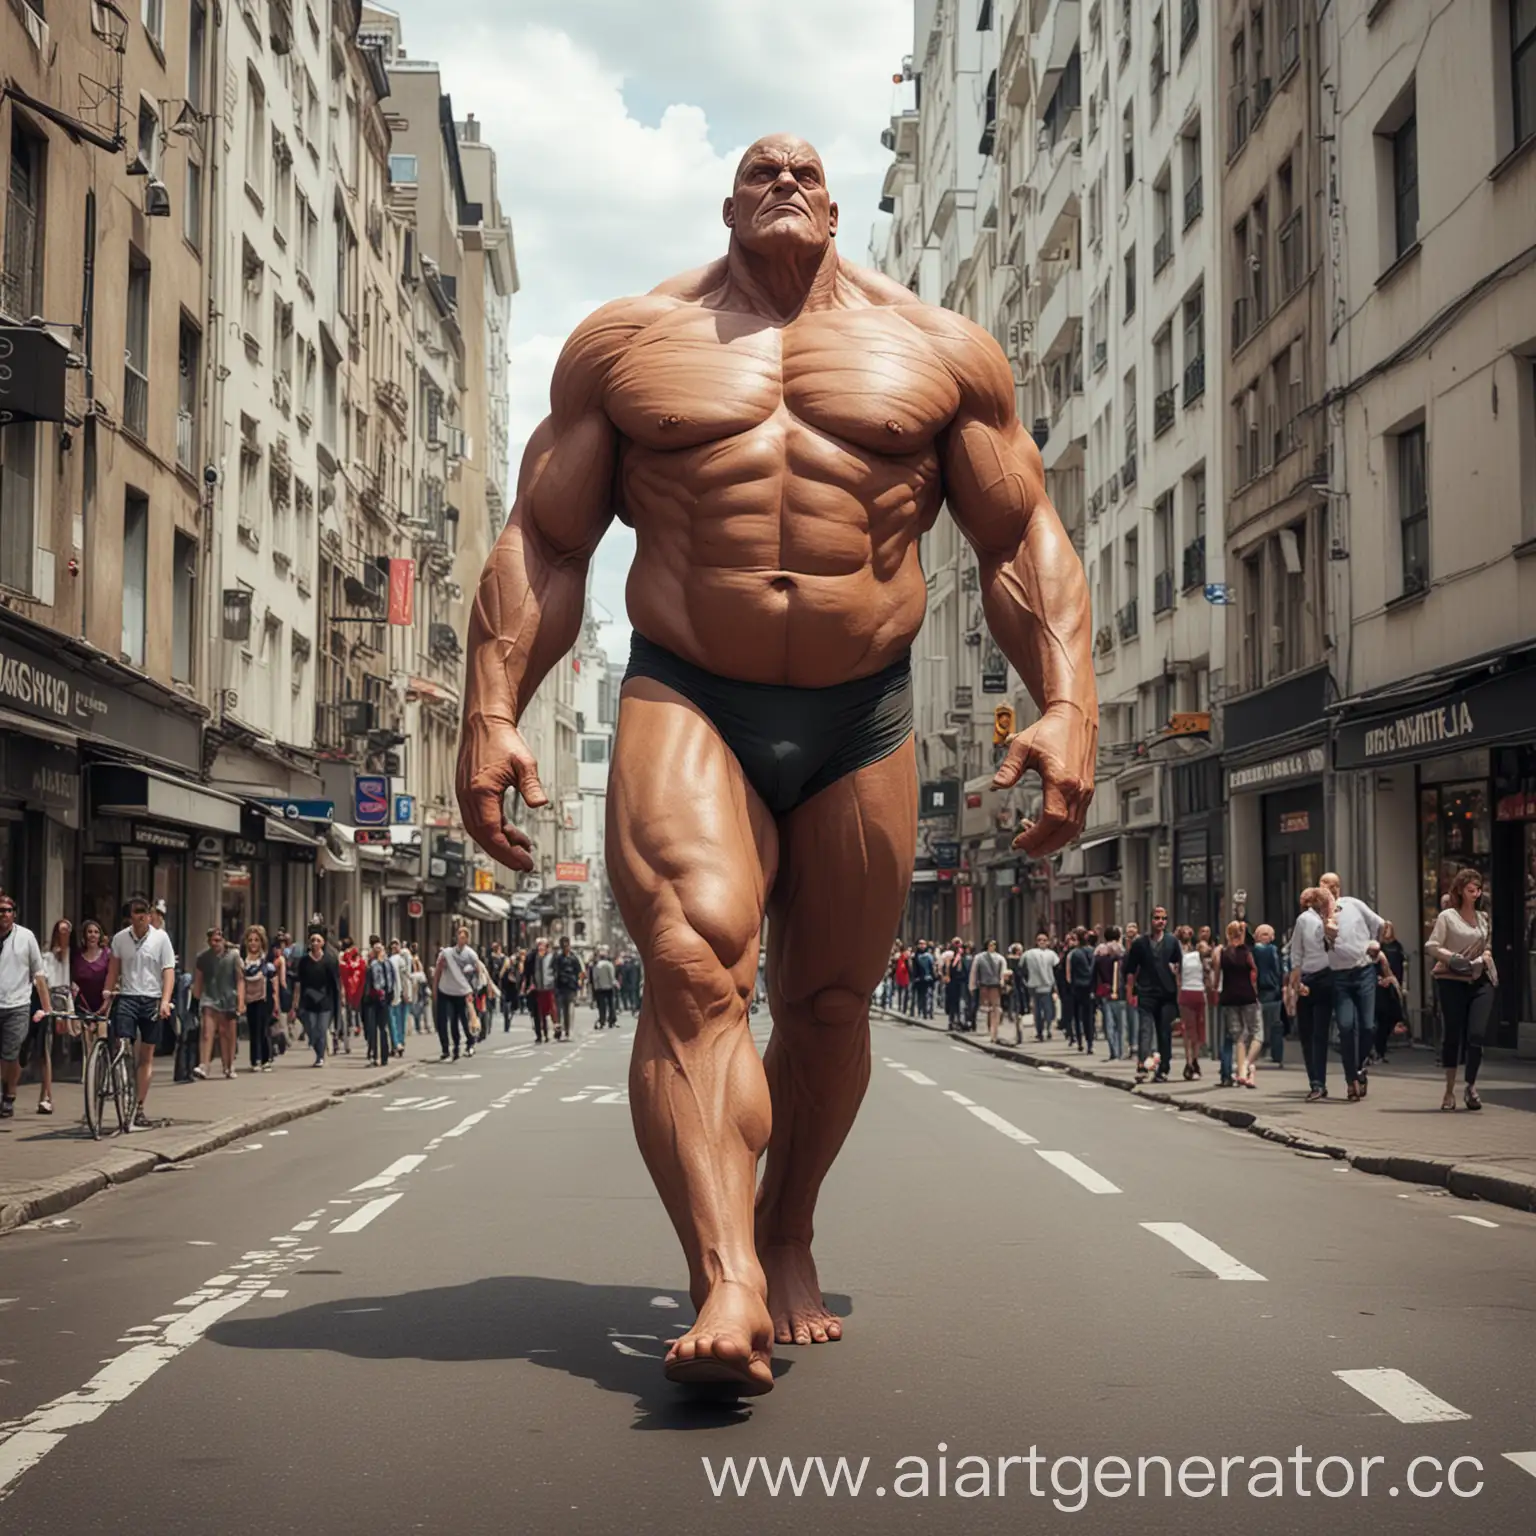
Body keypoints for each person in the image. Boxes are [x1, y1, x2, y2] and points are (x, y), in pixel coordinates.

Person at [454, 133, 1097, 1394]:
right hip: (690, 688)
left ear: (839, 203)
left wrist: (1068, 700)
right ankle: (726, 1273)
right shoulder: (632, 342)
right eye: (762, 170)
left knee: (826, 1007)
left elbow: (1021, 534)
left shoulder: (938, 348)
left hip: (866, 713)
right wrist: (491, 707)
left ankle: (788, 1223)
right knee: (694, 961)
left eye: (806, 172)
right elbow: (544, 536)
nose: (785, 182)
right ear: (730, 199)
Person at [1425, 868, 1496, 1112]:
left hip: (1480, 979)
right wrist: (1452, 958)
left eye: (1479, 888)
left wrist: (1485, 955)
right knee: (1453, 1034)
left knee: (1476, 1034)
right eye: (1471, 888)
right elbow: (1432, 945)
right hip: (1453, 980)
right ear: (1460, 890)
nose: (1476, 893)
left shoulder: (1484, 917)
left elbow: (1487, 944)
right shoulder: (1448, 916)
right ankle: (1449, 1090)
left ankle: (1471, 1086)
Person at [101, 897, 176, 1127]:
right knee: (123, 1041)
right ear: (130, 916)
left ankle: (139, 1106)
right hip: (128, 996)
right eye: (137, 912)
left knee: (147, 1054)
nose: (142, 916)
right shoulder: (120, 939)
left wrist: (165, 1000)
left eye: (145, 912)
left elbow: (168, 970)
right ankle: (122, 1078)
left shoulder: (160, 938)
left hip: (151, 998)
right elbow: (114, 969)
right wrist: (106, 992)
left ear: (151, 915)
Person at [1320, 871, 1384, 1103]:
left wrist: (1375, 943)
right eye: (1324, 885)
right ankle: (1350, 1081)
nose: (1328, 889)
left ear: (1338, 888)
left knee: (1367, 1026)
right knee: (1346, 1027)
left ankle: (1358, 1066)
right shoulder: (1317, 916)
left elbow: (1379, 924)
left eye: (1332, 885)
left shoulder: (1353, 905)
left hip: (1364, 971)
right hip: (1339, 976)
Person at [1289, 887, 1334, 1102]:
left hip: (1327, 976)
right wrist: (1297, 977)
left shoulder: (1335, 919)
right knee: (1307, 1032)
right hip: (1309, 977)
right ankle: (1316, 1082)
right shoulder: (1304, 920)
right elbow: (1296, 949)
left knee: (1319, 1033)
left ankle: (1320, 1082)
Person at [1127, 907, 1180, 1083]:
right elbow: (1130, 970)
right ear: (1151, 920)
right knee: (1145, 1029)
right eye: (1157, 918)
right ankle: (1142, 1064)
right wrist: (1130, 992)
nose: (1161, 921)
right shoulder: (1140, 943)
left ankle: (1163, 1068)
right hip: (1146, 992)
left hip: (1167, 994)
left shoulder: (1172, 941)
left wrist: (1179, 991)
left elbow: (1178, 967)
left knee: (1164, 1032)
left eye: (1164, 919)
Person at [1214, 920, 1262, 1088]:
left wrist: (1214, 990)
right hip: (1247, 995)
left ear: (1228, 934)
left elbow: (1217, 975)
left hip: (1229, 997)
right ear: (1242, 934)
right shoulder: (1247, 953)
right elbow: (1254, 971)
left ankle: (1241, 1072)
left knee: (1238, 1036)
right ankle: (1246, 1065)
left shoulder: (1222, 952)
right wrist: (1255, 989)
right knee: (1257, 1033)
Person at [191, 928, 241, 1080]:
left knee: (227, 1034)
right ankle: (204, 1065)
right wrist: (195, 1000)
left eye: (218, 940)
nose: (215, 943)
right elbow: (198, 980)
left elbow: (239, 979)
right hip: (210, 998)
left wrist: (241, 1001)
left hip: (229, 999)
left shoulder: (234, 956)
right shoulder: (203, 958)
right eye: (212, 940)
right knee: (207, 1032)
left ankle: (228, 1065)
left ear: (224, 940)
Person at [290, 929, 342, 1066]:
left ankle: (320, 1057)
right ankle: (318, 1049)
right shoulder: (304, 962)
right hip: (309, 1001)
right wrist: (296, 1001)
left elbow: (335, 982)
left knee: (322, 1028)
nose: (315, 943)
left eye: (318, 940)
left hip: (325, 1001)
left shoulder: (329, 961)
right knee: (311, 1029)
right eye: (313, 940)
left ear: (323, 943)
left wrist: (339, 998)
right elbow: (298, 982)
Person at [434, 925, 483, 1061]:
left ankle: (467, 1042)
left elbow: (479, 971)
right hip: (446, 990)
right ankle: (448, 1048)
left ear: (467, 939)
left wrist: (474, 989)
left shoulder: (470, 954)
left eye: (463, 937)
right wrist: (435, 990)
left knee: (461, 1018)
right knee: (446, 1021)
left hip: (461, 992)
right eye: (459, 936)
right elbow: (438, 971)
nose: (461, 939)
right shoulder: (447, 953)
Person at [237, 925, 279, 1073]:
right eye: (250, 940)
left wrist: (276, 1004)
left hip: (264, 998)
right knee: (253, 1029)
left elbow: (275, 983)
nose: (253, 943)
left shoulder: (266, 962)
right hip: (250, 999)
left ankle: (266, 1059)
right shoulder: (243, 962)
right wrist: (241, 1002)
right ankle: (255, 1059)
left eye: (256, 940)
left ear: (262, 942)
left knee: (263, 1028)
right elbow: (241, 982)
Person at [1371, 920, 1407, 1063]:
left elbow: (1402, 966)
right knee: (1378, 1019)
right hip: (1379, 987)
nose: (1386, 931)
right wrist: (1379, 979)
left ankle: (1381, 1050)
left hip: (1392, 986)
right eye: (1384, 928)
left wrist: (1400, 984)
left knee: (1389, 1018)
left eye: (1388, 928)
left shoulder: (1397, 947)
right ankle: (1376, 1051)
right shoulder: (1378, 947)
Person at [1174, 926, 1208, 1080]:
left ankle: (1193, 1060)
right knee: (1190, 1030)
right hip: (1190, 992)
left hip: (1195, 993)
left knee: (1195, 1030)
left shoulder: (1195, 955)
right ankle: (1191, 1061)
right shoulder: (1179, 955)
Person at [1251, 923, 1285, 1068]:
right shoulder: (1273, 950)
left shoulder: (1252, 952)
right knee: (1275, 1024)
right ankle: (1276, 1056)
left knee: (1257, 1025)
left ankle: (1257, 1053)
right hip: (1272, 991)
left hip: (1258, 991)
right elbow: (1278, 970)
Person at [1093, 926, 1129, 1062]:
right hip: (1121, 991)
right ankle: (1120, 1052)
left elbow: (1094, 974)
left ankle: (1113, 1051)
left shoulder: (1099, 953)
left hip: (1105, 991)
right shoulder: (1123, 953)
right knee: (1121, 1024)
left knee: (1109, 1023)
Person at [361, 936, 396, 1067]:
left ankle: (379, 1056)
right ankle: (378, 1055)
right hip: (376, 999)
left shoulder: (377, 964)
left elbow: (388, 981)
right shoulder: (376, 964)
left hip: (377, 999)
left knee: (378, 1028)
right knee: (378, 1028)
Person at [1021, 932, 1059, 1041]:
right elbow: (1057, 969)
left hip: (1039, 985)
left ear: (1047, 942)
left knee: (1041, 1009)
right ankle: (1044, 1030)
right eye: (1040, 940)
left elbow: (1021, 968)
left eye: (1044, 940)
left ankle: (1043, 1030)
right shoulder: (1051, 954)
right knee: (1044, 1009)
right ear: (1036, 942)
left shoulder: (1029, 954)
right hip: (1041, 985)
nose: (1042, 942)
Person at [969, 938, 1007, 1044]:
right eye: (990, 944)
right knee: (985, 1007)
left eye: (994, 945)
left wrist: (1002, 982)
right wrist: (972, 986)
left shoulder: (1000, 958)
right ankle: (986, 1027)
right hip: (983, 985)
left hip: (995, 985)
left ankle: (994, 1030)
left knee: (996, 1008)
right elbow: (974, 972)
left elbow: (1003, 972)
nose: (992, 946)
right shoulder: (979, 957)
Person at [1067, 929, 1097, 1053]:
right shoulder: (1093, 952)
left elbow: (1069, 974)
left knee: (1077, 1015)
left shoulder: (1073, 954)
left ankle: (1079, 1041)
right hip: (1090, 987)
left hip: (1077, 987)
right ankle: (1090, 1043)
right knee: (1088, 1016)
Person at [526, 937, 557, 1043]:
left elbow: (556, 971)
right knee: (539, 1013)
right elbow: (528, 972)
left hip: (549, 987)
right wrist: (528, 985)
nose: (540, 946)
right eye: (539, 944)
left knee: (552, 1010)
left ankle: (556, 1028)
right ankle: (542, 1034)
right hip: (537, 988)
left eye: (543, 944)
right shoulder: (532, 957)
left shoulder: (552, 957)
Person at [337, 938, 364, 1056]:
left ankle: (344, 1037)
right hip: (351, 990)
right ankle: (348, 1034)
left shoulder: (343, 959)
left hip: (347, 990)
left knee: (345, 1017)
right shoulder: (351, 960)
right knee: (348, 1016)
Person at [553, 936, 583, 1040]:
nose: (565, 947)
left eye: (567, 945)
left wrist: (579, 981)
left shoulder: (574, 958)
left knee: (569, 1009)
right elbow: (554, 972)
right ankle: (560, 1030)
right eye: (563, 946)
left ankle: (568, 1031)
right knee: (560, 1010)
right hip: (560, 986)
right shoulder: (558, 958)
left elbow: (579, 971)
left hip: (571, 986)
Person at [590, 948, 619, 1029]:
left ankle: (602, 1020)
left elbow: (595, 978)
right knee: (611, 1004)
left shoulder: (597, 966)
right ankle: (611, 1020)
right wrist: (614, 984)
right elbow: (611, 976)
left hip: (600, 988)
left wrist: (596, 988)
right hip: (609, 987)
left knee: (601, 1006)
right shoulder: (609, 964)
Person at [911, 939, 936, 1020]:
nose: (922, 946)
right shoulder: (915, 956)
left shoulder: (929, 956)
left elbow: (932, 967)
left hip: (928, 979)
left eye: (923, 944)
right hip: (919, 980)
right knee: (920, 997)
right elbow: (913, 968)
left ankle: (928, 1013)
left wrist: (934, 977)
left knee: (928, 996)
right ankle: (921, 1011)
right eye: (920, 944)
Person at [409, 943, 430, 1034]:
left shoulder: (418, 974)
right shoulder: (417, 973)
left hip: (419, 990)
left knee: (419, 1008)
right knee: (419, 1008)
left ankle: (421, 1026)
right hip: (417, 990)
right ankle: (420, 1026)